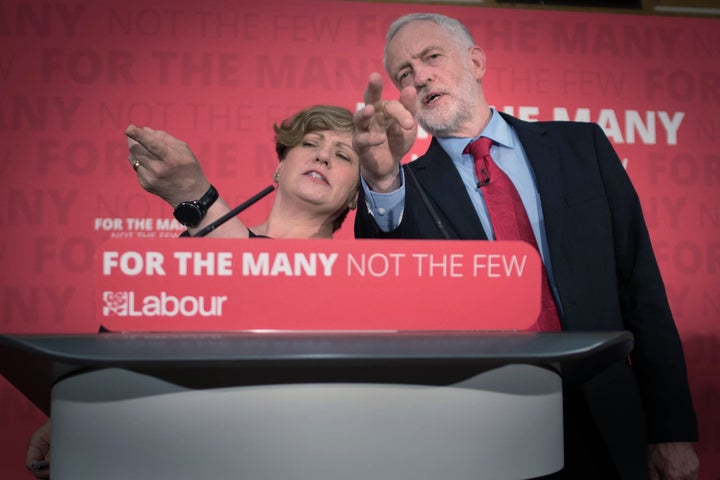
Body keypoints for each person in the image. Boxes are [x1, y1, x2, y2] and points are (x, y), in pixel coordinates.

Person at [352, 12, 699, 480]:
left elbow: (641, 288)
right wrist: (379, 177)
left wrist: (669, 426)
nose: (420, 78)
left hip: (606, 411)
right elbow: (383, 280)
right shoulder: (403, 185)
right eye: (404, 76)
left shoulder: (580, 147)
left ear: (475, 61)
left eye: (432, 57)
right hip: (481, 428)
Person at [25, 105, 361, 479]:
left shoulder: (355, 277)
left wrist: (195, 196)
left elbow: (270, 288)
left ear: (354, 198)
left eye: (344, 155)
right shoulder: (189, 251)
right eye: (311, 142)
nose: (323, 155)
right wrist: (73, 417)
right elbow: (117, 350)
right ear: (279, 167)